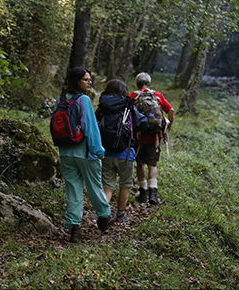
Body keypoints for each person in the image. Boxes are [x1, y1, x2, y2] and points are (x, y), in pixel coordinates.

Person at [54, 67, 116, 243]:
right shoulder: (84, 100)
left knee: (72, 190)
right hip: (86, 152)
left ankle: (74, 229)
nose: (90, 82)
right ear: (77, 81)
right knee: (94, 186)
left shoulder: (58, 100)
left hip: (66, 152)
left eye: (90, 79)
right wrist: (99, 151)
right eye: (86, 79)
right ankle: (104, 217)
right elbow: (91, 128)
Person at [96, 79, 149, 224]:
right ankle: (120, 216)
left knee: (108, 185)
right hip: (125, 152)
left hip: (104, 152)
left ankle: (104, 215)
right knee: (125, 185)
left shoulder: (102, 105)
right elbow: (142, 123)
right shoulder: (128, 105)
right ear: (124, 91)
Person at [129, 72, 175, 205]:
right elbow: (171, 111)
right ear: (149, 83)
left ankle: (143, 193)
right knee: (152, 164)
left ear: (137, 84)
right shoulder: (157, 95)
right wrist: (168, 128)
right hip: (155, 137)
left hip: (138, 137)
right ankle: (153, 193)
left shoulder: (133, 96)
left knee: (140, 164)